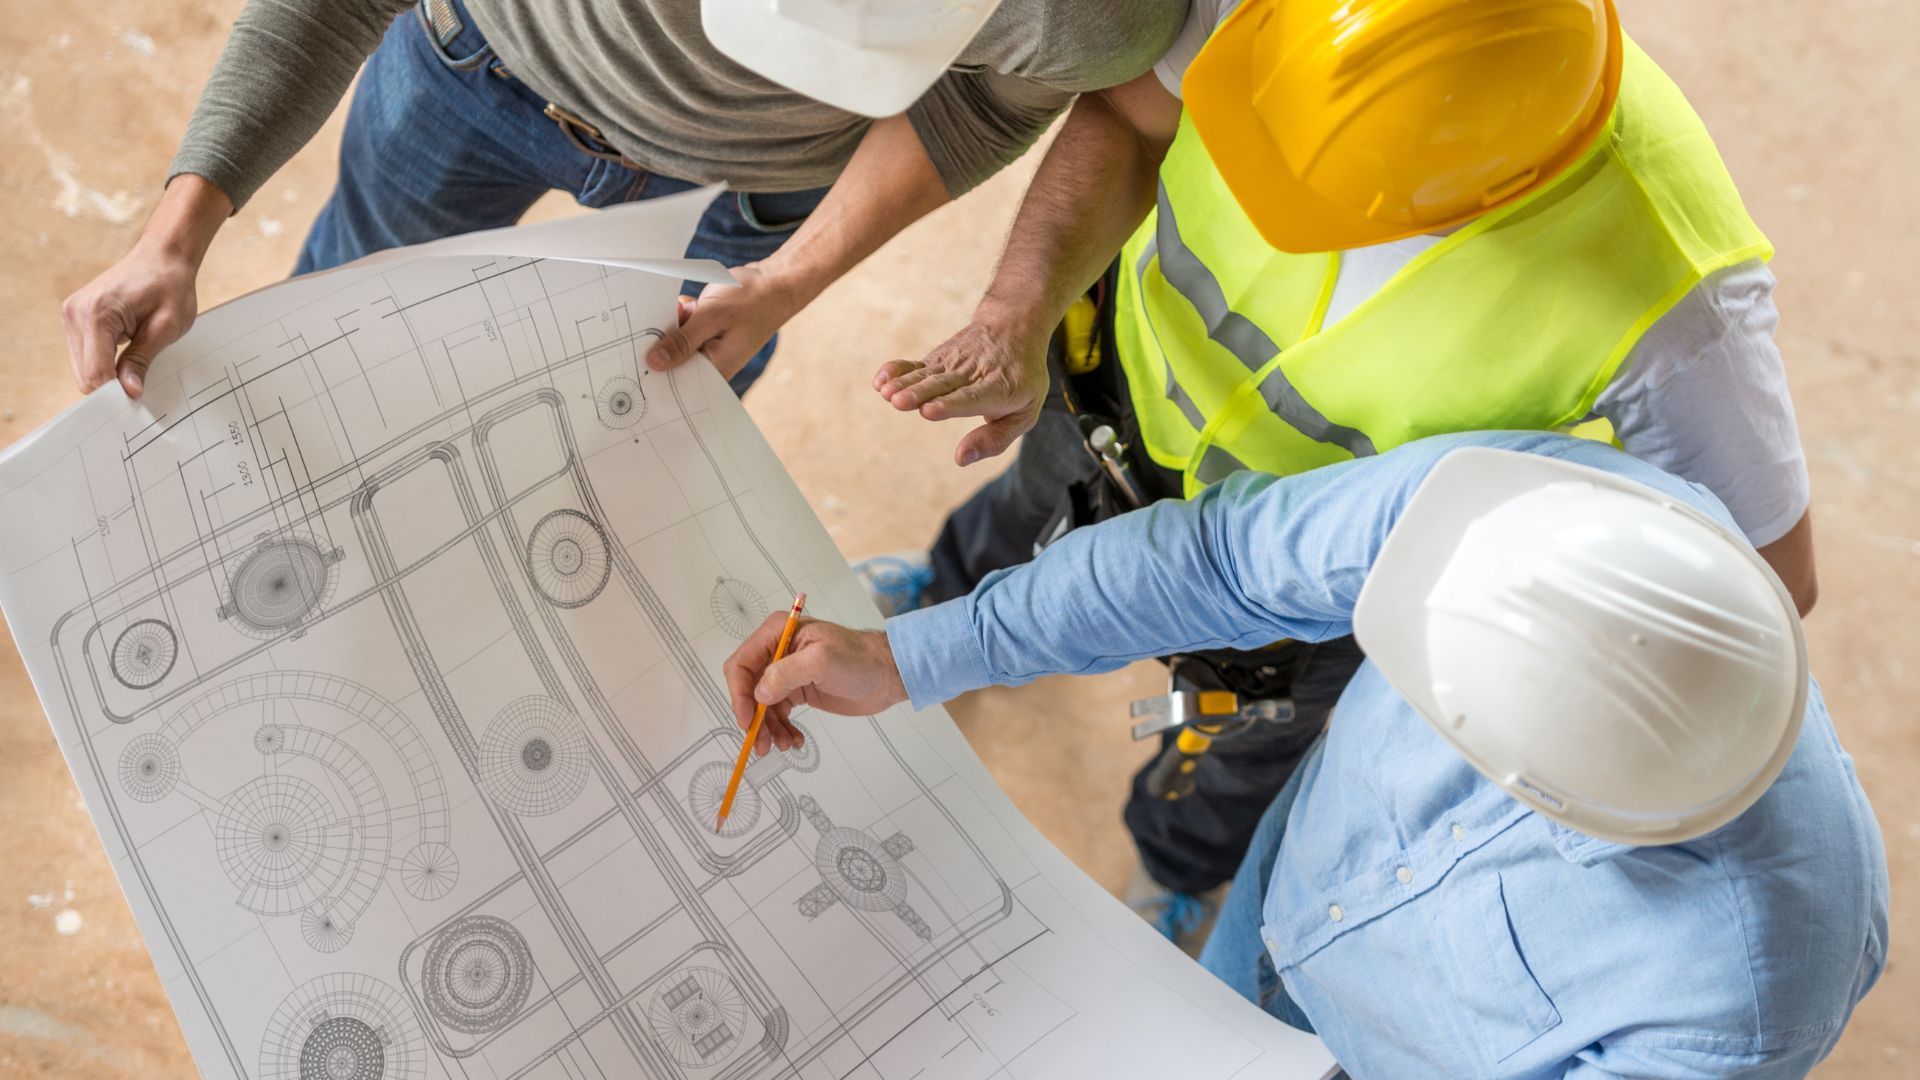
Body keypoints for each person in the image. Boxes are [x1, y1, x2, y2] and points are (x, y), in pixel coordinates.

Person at [862, 0, 1819, 939]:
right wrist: (1017, 311)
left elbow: (1765, 585)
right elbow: (1124, 113)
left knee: (1229, 746)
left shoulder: (1679, 309)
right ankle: (943, 591)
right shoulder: (1287, 18)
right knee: (1022, 518)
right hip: (1112, 403)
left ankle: (1178, 867)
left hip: (1301, 600)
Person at [726, 431, 1889, 1078]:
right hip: (1278, 898)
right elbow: (1218, 562)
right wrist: (924, 654)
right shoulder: (1550, 518)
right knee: (1221, 988)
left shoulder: (1740, 1004)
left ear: (1559, 806)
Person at [59, 0, 1185, 399]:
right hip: (478, 69)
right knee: (342, 324)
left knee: (656, 414)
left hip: (758, 190)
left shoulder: (1100, 9)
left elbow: (980, 106)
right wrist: (177, 234)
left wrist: (791, 278)